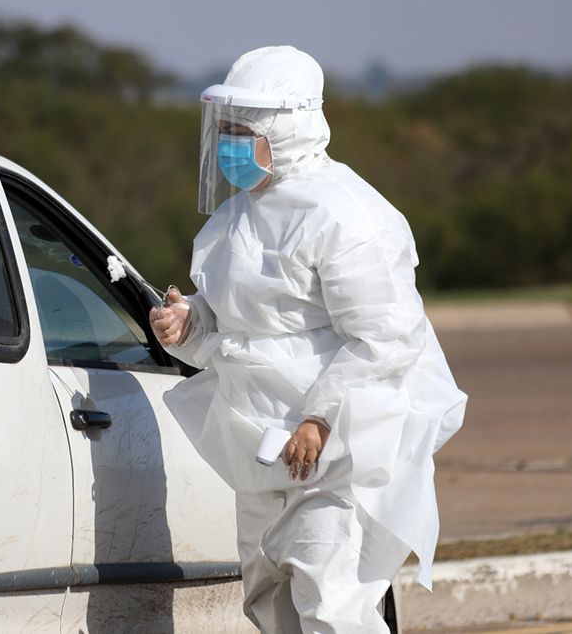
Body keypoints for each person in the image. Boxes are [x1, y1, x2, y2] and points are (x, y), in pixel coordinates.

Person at [150, 46, 466, 633]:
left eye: (244, 130)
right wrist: (187, 323)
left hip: (339, 456)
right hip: (262, 448)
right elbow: (237, 329)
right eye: (226, 130)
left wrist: (320, 419)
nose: (229, 146)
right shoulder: (235, 218)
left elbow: (384, 337)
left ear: (289, 125)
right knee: (272, 608)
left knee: (331, 610)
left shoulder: (347, 217)